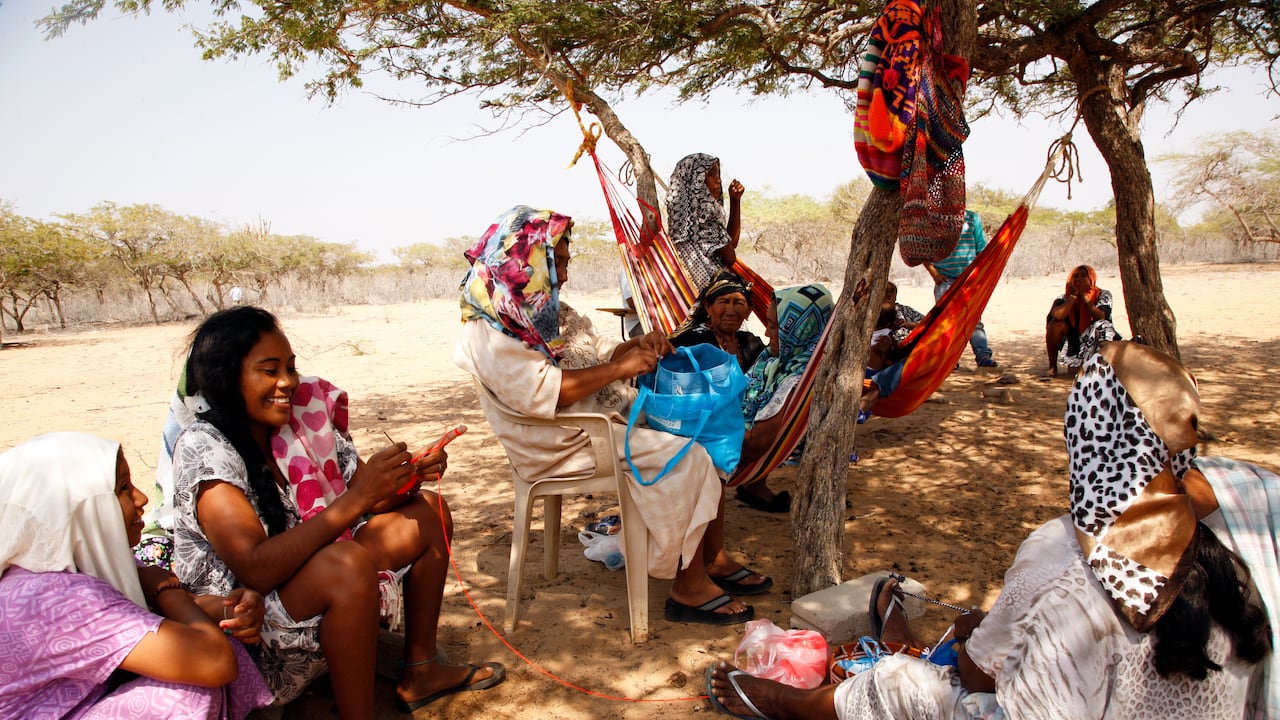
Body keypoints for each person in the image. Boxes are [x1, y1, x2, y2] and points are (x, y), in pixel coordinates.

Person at [706, 341, 1273, 720]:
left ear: (1087, 437)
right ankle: (899, 633)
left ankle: (790, 705)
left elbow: (980, 675)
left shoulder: (1067, 569)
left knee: (904, 681)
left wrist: (981, 635)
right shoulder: (1237, 545)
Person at [169, 306, 505, 717]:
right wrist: (359, 498)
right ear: (226, 379)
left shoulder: (302, 420)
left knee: (427, 511)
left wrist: (407, 477)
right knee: (345, 563)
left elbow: (367, 496)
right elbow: (255, 569)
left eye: (291, 368)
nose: (288, 382)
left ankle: (421, 671)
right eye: (270, 370)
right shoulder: (206, 446)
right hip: (246, 623)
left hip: (300, 576)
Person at [455, 205, 772, 623]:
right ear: (525, 260)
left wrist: (634, 350)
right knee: (690, 456)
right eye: (558, 263)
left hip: (593, 424)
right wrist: (620, 370)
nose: (564, 275)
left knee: (709, 437)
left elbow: (593, 357)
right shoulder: (493, 332)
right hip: (563, 440)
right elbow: (548, 393)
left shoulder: (535, 312)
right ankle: (688, 585)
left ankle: (709, 558)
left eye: (565, 263)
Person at [0, 432, 273, 718]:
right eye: (122, 488)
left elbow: (148, 609)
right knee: (187, 690)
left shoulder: (50, 568)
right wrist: (165, 589)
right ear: (81, 509)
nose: (141, 498)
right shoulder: (59, 597)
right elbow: (213, 661)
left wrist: (231, 609)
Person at [736, 284, 835, 511]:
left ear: (799, 330)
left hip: (728, 443)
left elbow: (752, 447)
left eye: (773, 327)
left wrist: (710, 412)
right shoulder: (778, 359)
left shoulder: (796, 382)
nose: (767, 334)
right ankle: (754, 485)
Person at [922, 210, 997, 368]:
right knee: (946, 322)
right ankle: (950, 360)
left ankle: (983, 356)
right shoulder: (932, 220)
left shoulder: (972, 218)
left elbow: (982, 249)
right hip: (944, 280)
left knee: (974, 319)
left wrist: (979, 276)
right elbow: (921, 251)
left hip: (969, 280)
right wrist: (934, 273)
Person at [667, 153, 746, 293]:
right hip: (709, 295)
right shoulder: (705, 218)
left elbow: (729, 243)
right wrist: (735, 202)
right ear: (695, 181)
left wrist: (735, 201)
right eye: (710, 174)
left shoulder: (682, 219)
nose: (718, 181)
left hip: (684, 293)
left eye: (718, 174)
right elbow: (730, 257)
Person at [1046, 263, 1122, 376]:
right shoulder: (1063, 298)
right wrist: (1073, 296)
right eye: (1075, 276)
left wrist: (1084, 296)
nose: (1079, 279)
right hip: (1074, 341)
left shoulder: (1103, 295)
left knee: (1102, 325)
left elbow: (1101, 316)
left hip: (1095, 339)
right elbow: (1057, 315)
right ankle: (1053, 367)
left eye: (1083, 276)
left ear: (1091, 279)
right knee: (1055, 325)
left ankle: (1103, 366)